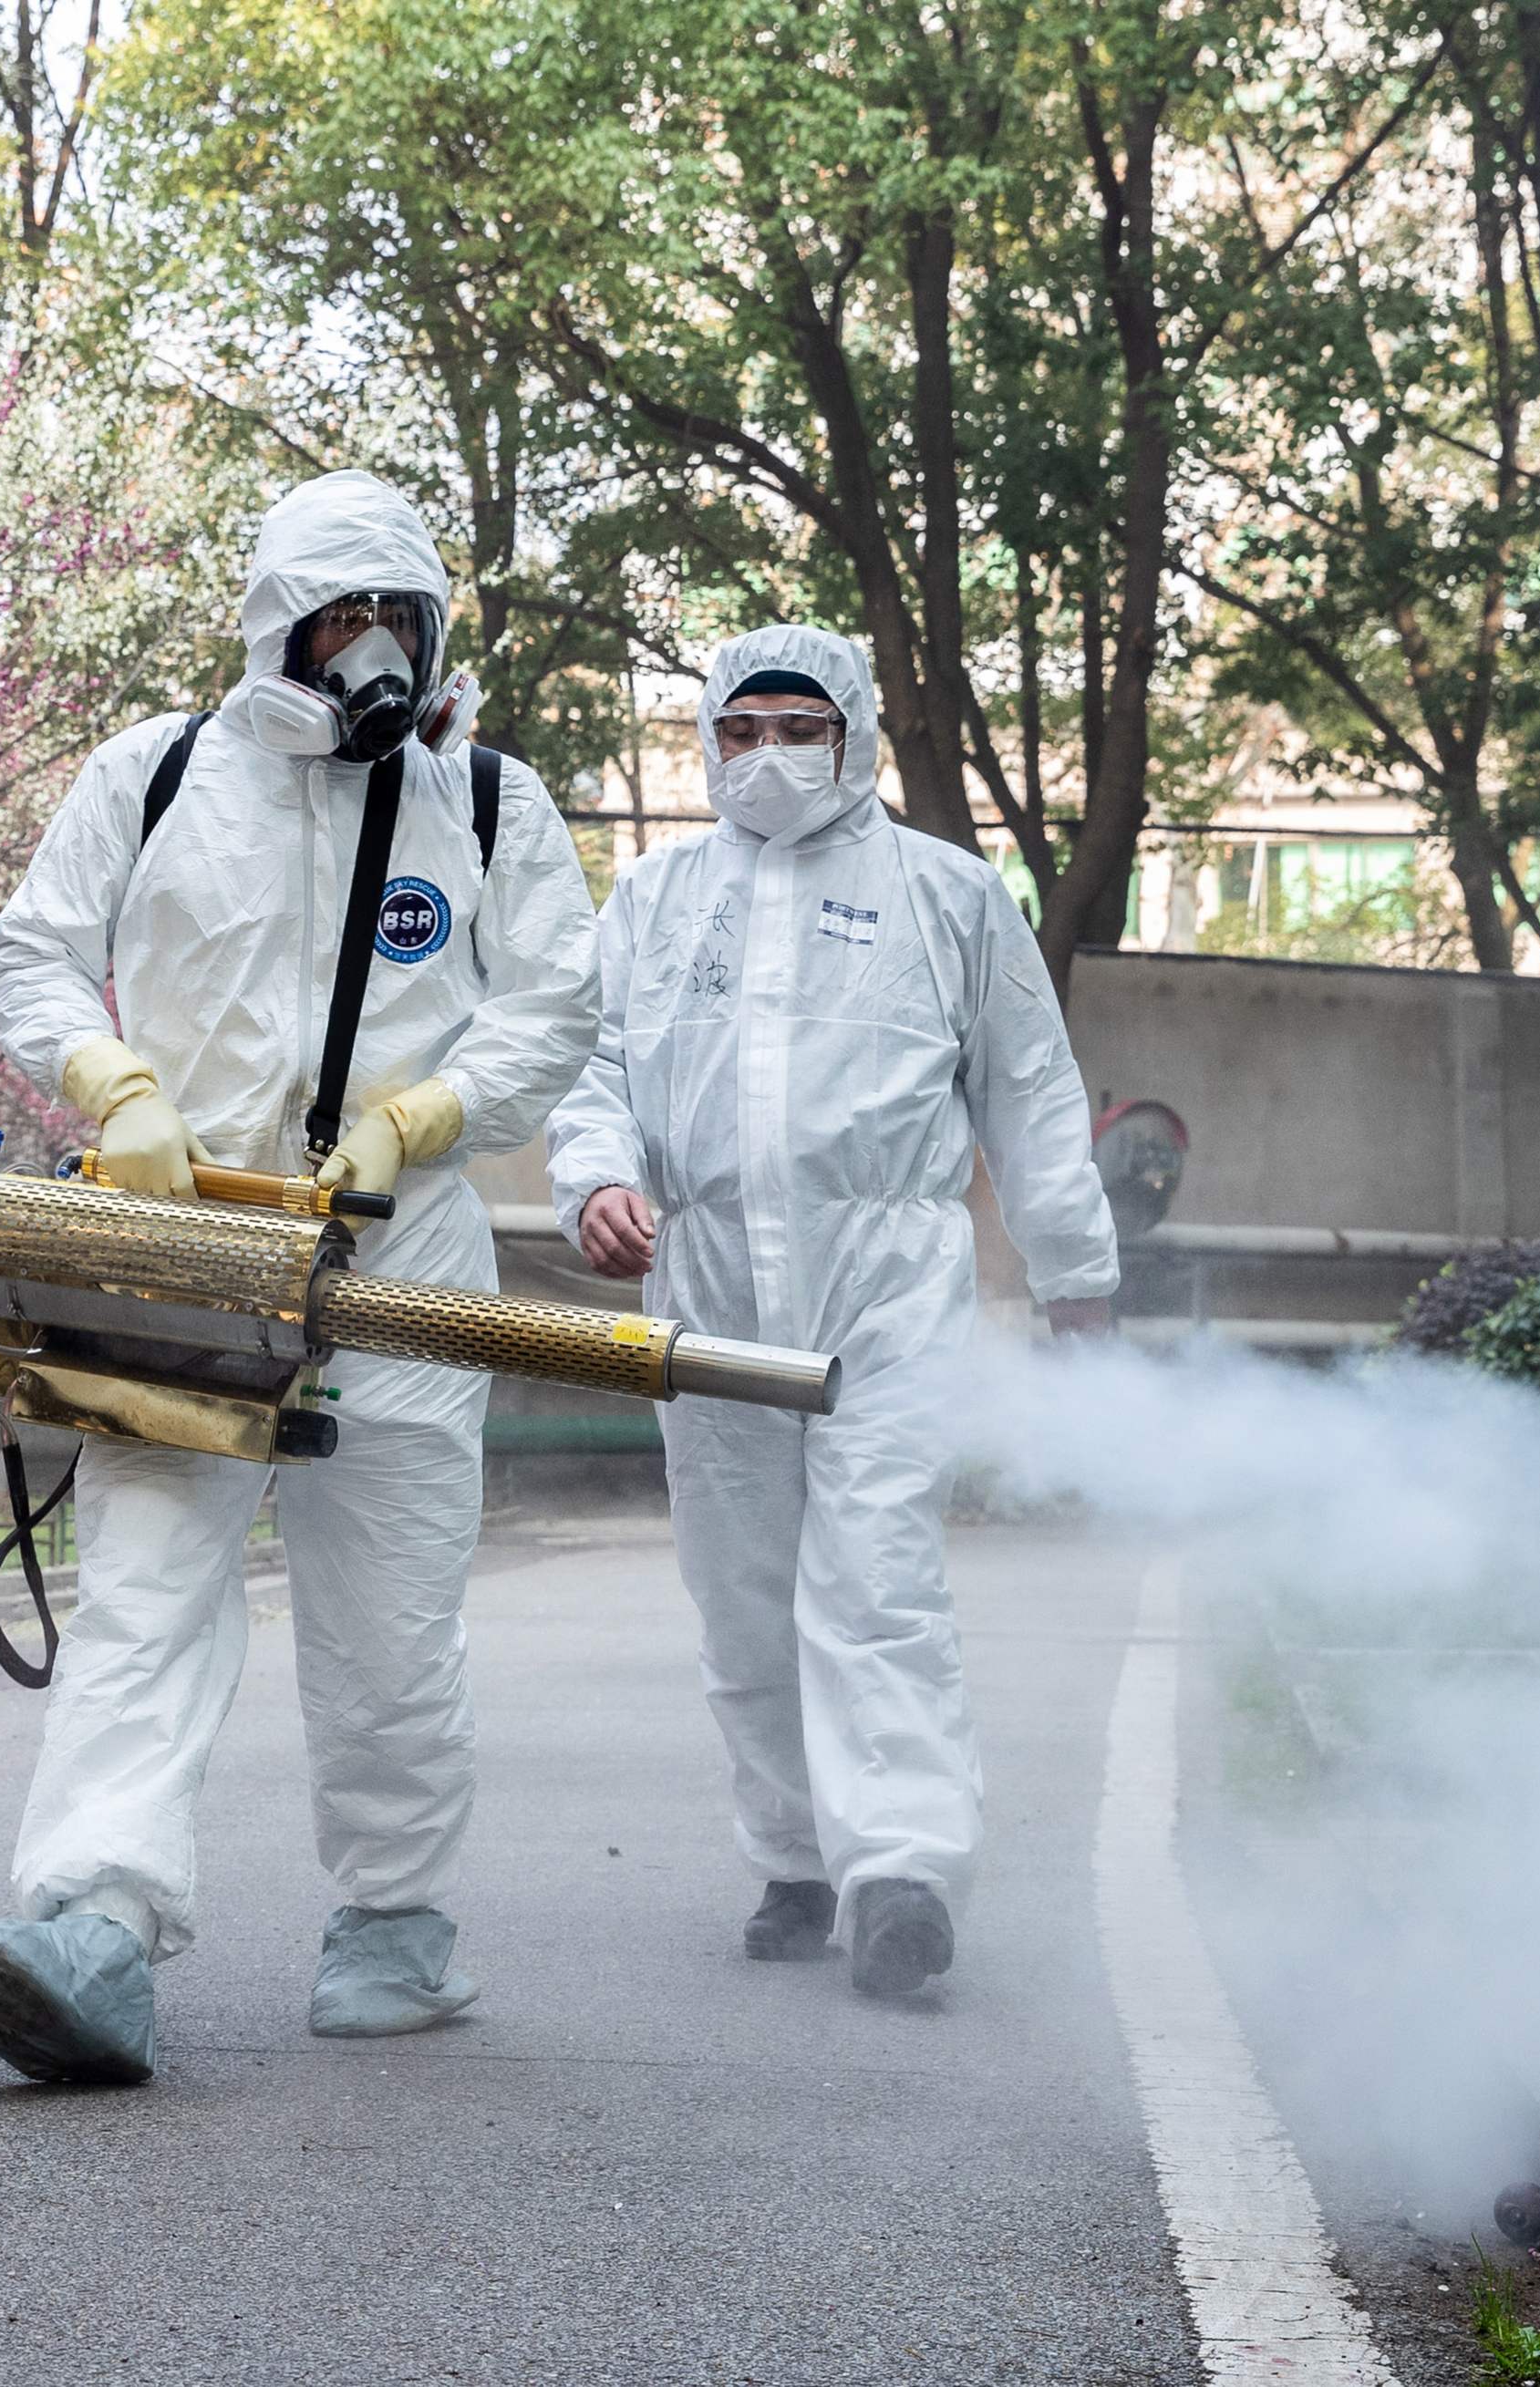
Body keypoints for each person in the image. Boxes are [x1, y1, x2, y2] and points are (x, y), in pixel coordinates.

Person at [0, 470, 600, 2083]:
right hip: (182, 1245)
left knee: (391, 1614)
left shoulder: (487, 803)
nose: (368, 649)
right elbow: (34, 952)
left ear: (432, 631)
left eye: (396, 619)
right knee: (148, 1585)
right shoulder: (156, 773)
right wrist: (114, 1085)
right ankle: (93, 1925)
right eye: (337, 617)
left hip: (399, 1250)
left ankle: (394, 1920)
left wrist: (426, 1117)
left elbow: (554, 1007)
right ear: (275, 627)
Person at [544, 625, 1119, 1999]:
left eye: (799, 729)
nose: (769, 756)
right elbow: (590, 1069)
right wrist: (598, 1182)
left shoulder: (948, 893)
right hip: (709, 1282)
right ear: (707, 743)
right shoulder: (655, 897)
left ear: (852, 735)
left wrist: (1075, 1274)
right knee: (742, 1592)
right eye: (740, 732)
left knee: (879, 1576)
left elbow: (1031, 1089)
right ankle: (795, 1856)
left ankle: (903, 1868)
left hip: (887, 1283)